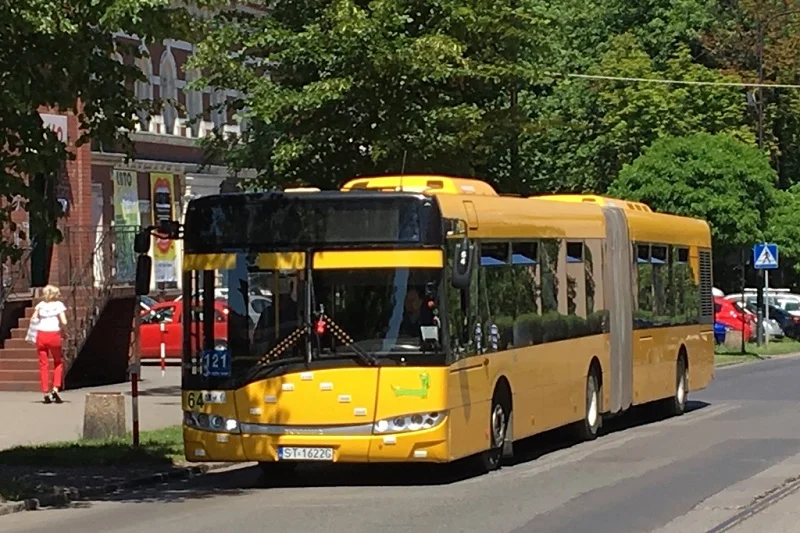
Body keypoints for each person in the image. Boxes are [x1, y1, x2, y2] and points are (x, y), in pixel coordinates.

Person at [32, 285, 67, 404]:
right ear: (55, 294)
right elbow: (64, 321)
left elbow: (33, 319)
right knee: (58, 361)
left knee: (43, 364)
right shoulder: (59, 305)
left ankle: (45, 391)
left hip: (41, 335)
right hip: (54, 335)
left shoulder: (40, 305)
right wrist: (64, 331)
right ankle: (56, 388)